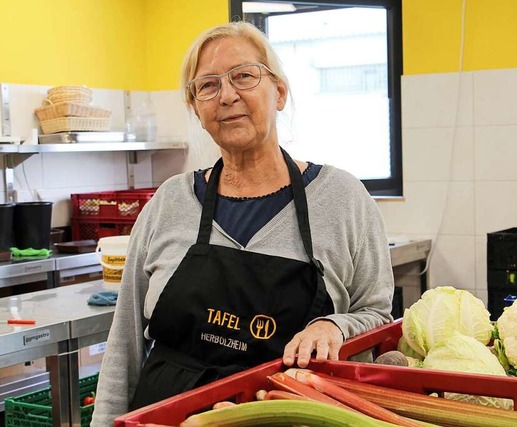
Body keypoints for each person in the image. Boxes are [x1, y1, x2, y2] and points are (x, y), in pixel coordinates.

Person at [90, 21, 394, 425]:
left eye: (244, 76)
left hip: (287, 415)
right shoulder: (169, 202)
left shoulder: (342, 198)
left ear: (279, 92)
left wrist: (335, 325)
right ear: (196, 109)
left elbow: (377, 314)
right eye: (208, 86)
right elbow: (124, 342)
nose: (227, 95)